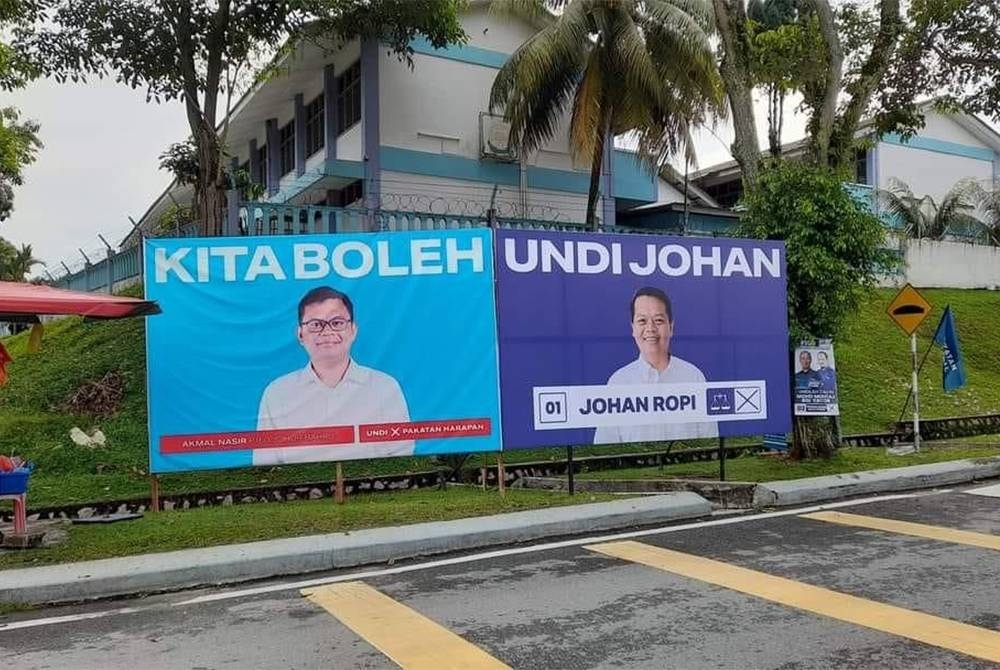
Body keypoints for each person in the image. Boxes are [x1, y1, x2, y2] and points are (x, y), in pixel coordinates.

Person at [253, 286, 413, 465]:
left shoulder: (384, 387)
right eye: (315, 324)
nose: (327, 332)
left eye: (337, 323)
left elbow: (402, 452)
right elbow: (265, 461)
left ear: (353, 330)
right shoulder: (277, 393)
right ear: (300, 334)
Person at [593, 287, 718, 444]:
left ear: (671, 327)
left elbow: (709, 440)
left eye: (658, 320)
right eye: (642, 321)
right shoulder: (619, 382)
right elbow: (604, 444)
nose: (650, 329)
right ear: (633, 328)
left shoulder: (693, 377)